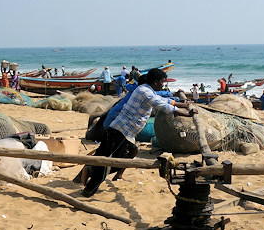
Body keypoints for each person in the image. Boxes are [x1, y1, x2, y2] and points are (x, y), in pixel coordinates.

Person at [82, 68, 194, 197]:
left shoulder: (147, 90)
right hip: (121, 131)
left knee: (131, 152)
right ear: (155, 82)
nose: (163, 85)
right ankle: (89, 189)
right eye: (162, 82)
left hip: (125, 132)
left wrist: (184, 105)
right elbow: (162, 105)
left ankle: (93, 169)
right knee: (108, 161)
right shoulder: (144, 92)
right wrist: (188, 114)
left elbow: (164, 100)